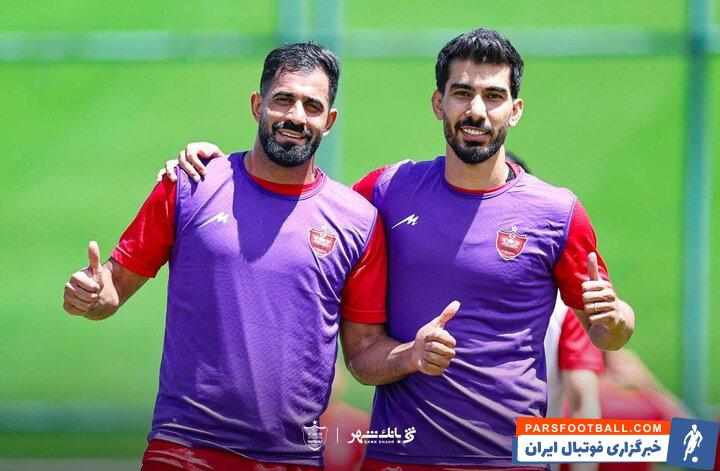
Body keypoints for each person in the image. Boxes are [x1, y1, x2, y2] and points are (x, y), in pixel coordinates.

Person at [162, 28, 635, 469]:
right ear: (438, 103)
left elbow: (608, 333)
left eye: (493, 96)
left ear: (515, 109)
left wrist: (616, 320)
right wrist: (219, 170)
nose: (476, 111)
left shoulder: (557, 212)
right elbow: (305, 210)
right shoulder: (387, 191)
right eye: (462, 93)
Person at [62, 42, 457, 470]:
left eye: (312, 106)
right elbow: (113, 290)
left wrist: (411, 355)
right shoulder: (191, 184)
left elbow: (362, 354)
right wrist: (93, 295)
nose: (296, 116)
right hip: (184, 450)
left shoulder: (358, 221)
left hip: (293, 458)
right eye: (283, 99)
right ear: (257, 105)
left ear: (329, 121)